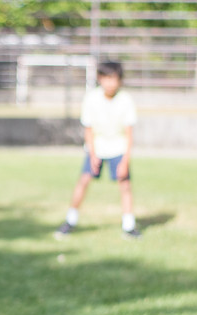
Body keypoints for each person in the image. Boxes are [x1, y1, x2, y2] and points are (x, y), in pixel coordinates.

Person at [55, 60, 141, 240]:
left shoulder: (125, 100)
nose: (110, 83)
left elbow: (129, 134)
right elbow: (89, 130)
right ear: (99, 79)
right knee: (84, 181)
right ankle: (70, 220)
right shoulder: (91, 98)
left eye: (114, 79)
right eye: (106, 78)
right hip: (97, 148)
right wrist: (92, 155)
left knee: (125, 186)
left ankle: (129, 225)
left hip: (118, 148)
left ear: (120, 80)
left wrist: (125, 160)